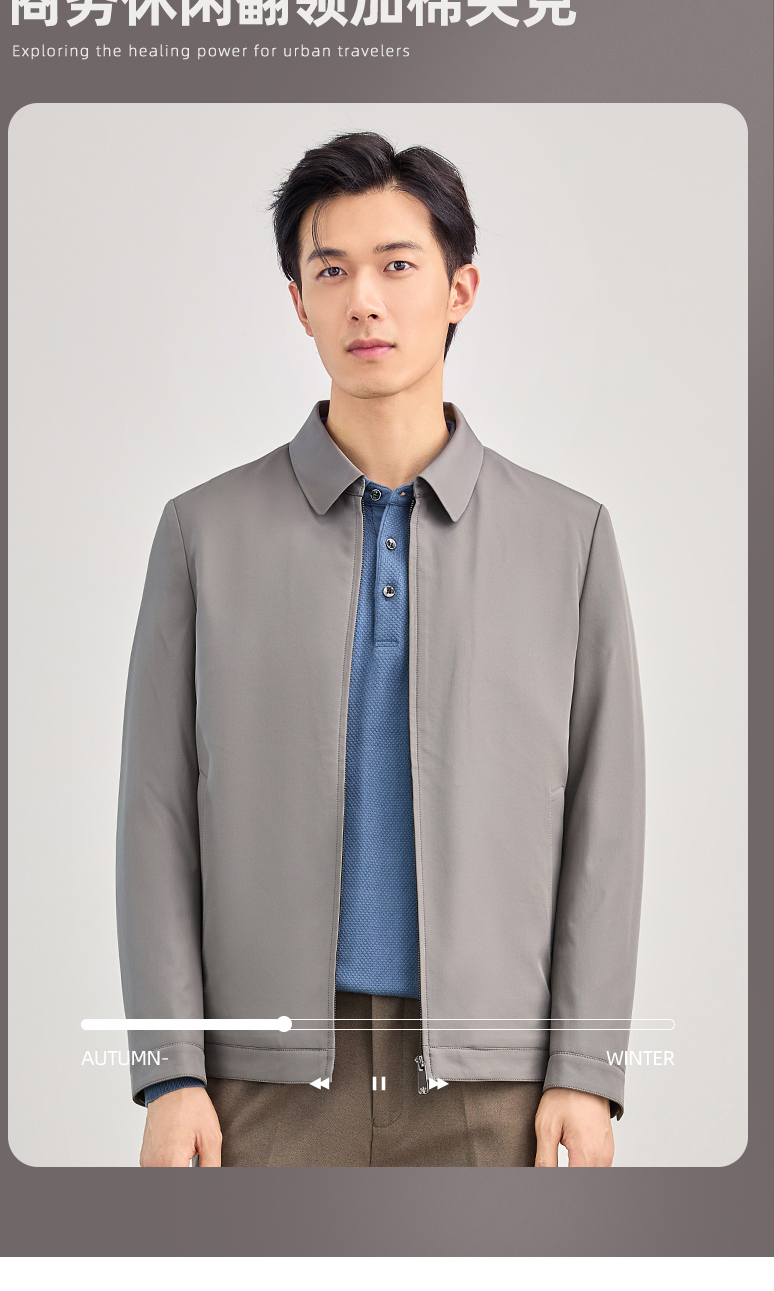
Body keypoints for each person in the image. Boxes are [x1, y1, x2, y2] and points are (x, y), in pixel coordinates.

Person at [116, 132, 645, 1168]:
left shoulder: (569, 538)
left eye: (397, 265)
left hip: (495, 1086)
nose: (364, 300)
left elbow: (605, 819)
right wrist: (172, 1071)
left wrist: (585, 1070)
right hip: (259, 1086)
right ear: (298, 303)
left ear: (460, 290)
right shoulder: (202, 533)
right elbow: (156, 814)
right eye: (331, 271)